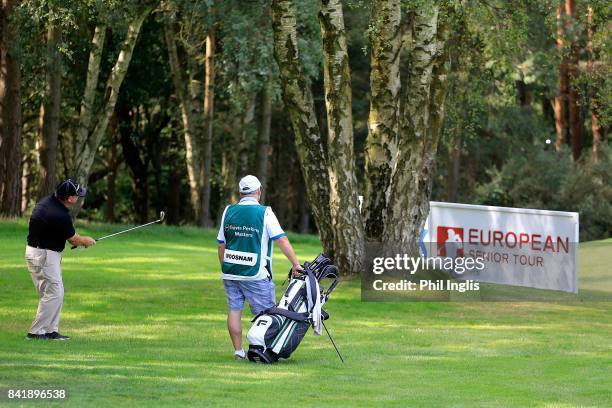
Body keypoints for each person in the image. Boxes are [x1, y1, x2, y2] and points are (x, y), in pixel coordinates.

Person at [217, 175, 303, 360]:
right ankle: (262, 351)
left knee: (234, 310)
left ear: (240, 193)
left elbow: (221, 244)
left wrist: (226, 267)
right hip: (255, 273)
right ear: (259, 191)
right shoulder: (265, 212)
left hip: (230, 271)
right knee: (266, 314)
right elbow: (281, 239)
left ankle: (239, 351)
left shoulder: (228, 211)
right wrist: (296, 264)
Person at [25, 179, 96, 340]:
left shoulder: (48, 202)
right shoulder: (60, 215)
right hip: (44, 255)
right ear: (69, 198)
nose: (79, 197)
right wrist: (87, 241)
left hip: (39, 253)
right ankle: (36, 332)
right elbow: (74, 240)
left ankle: (50, 330)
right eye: (77, 195)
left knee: (52, 293)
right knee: (55, 293)